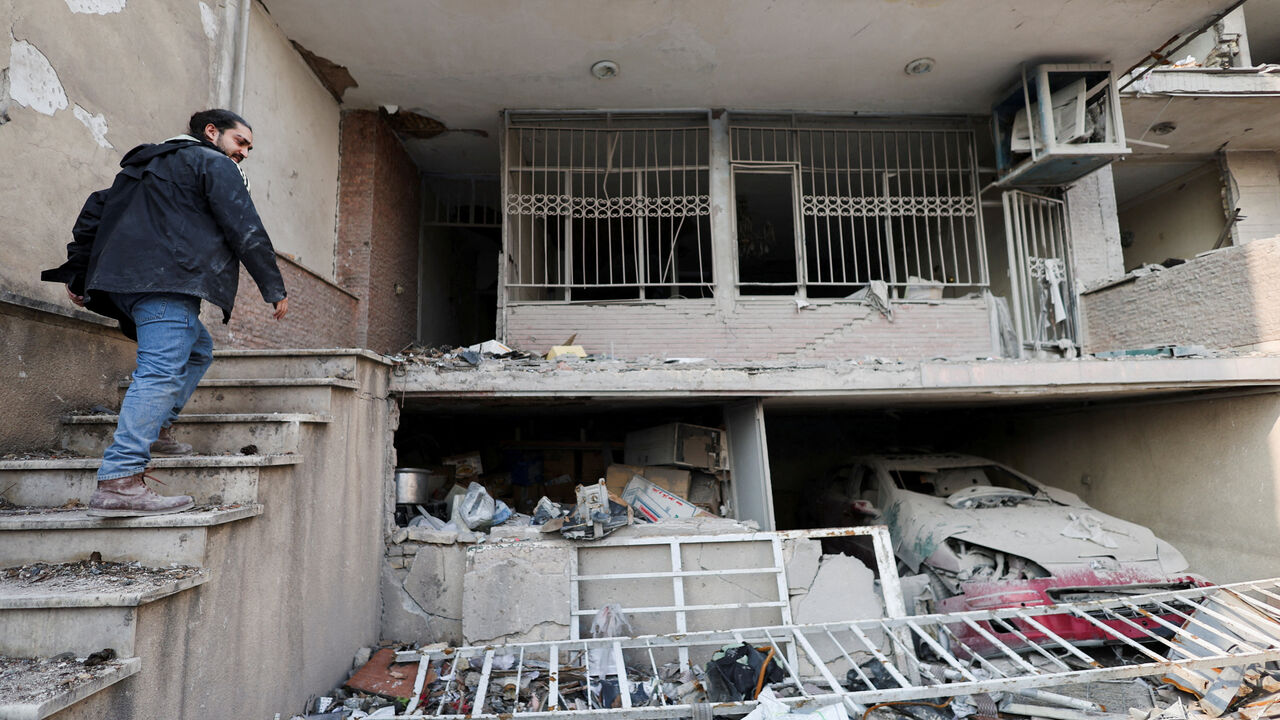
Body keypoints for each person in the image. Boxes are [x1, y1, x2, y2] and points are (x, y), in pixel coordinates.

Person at [42, 109, 289, 517]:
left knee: (196, 350)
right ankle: (120, 480)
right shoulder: (213, 162)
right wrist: (273, 287)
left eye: (247, 147)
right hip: (167, 284)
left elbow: (94, 212)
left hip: (126, 285)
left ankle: (155, 428)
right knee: (159, 372)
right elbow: (244, 226)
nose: (244, 151)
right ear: (212, 132)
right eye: (240, 141)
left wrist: (78, 272)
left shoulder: (144, 164)